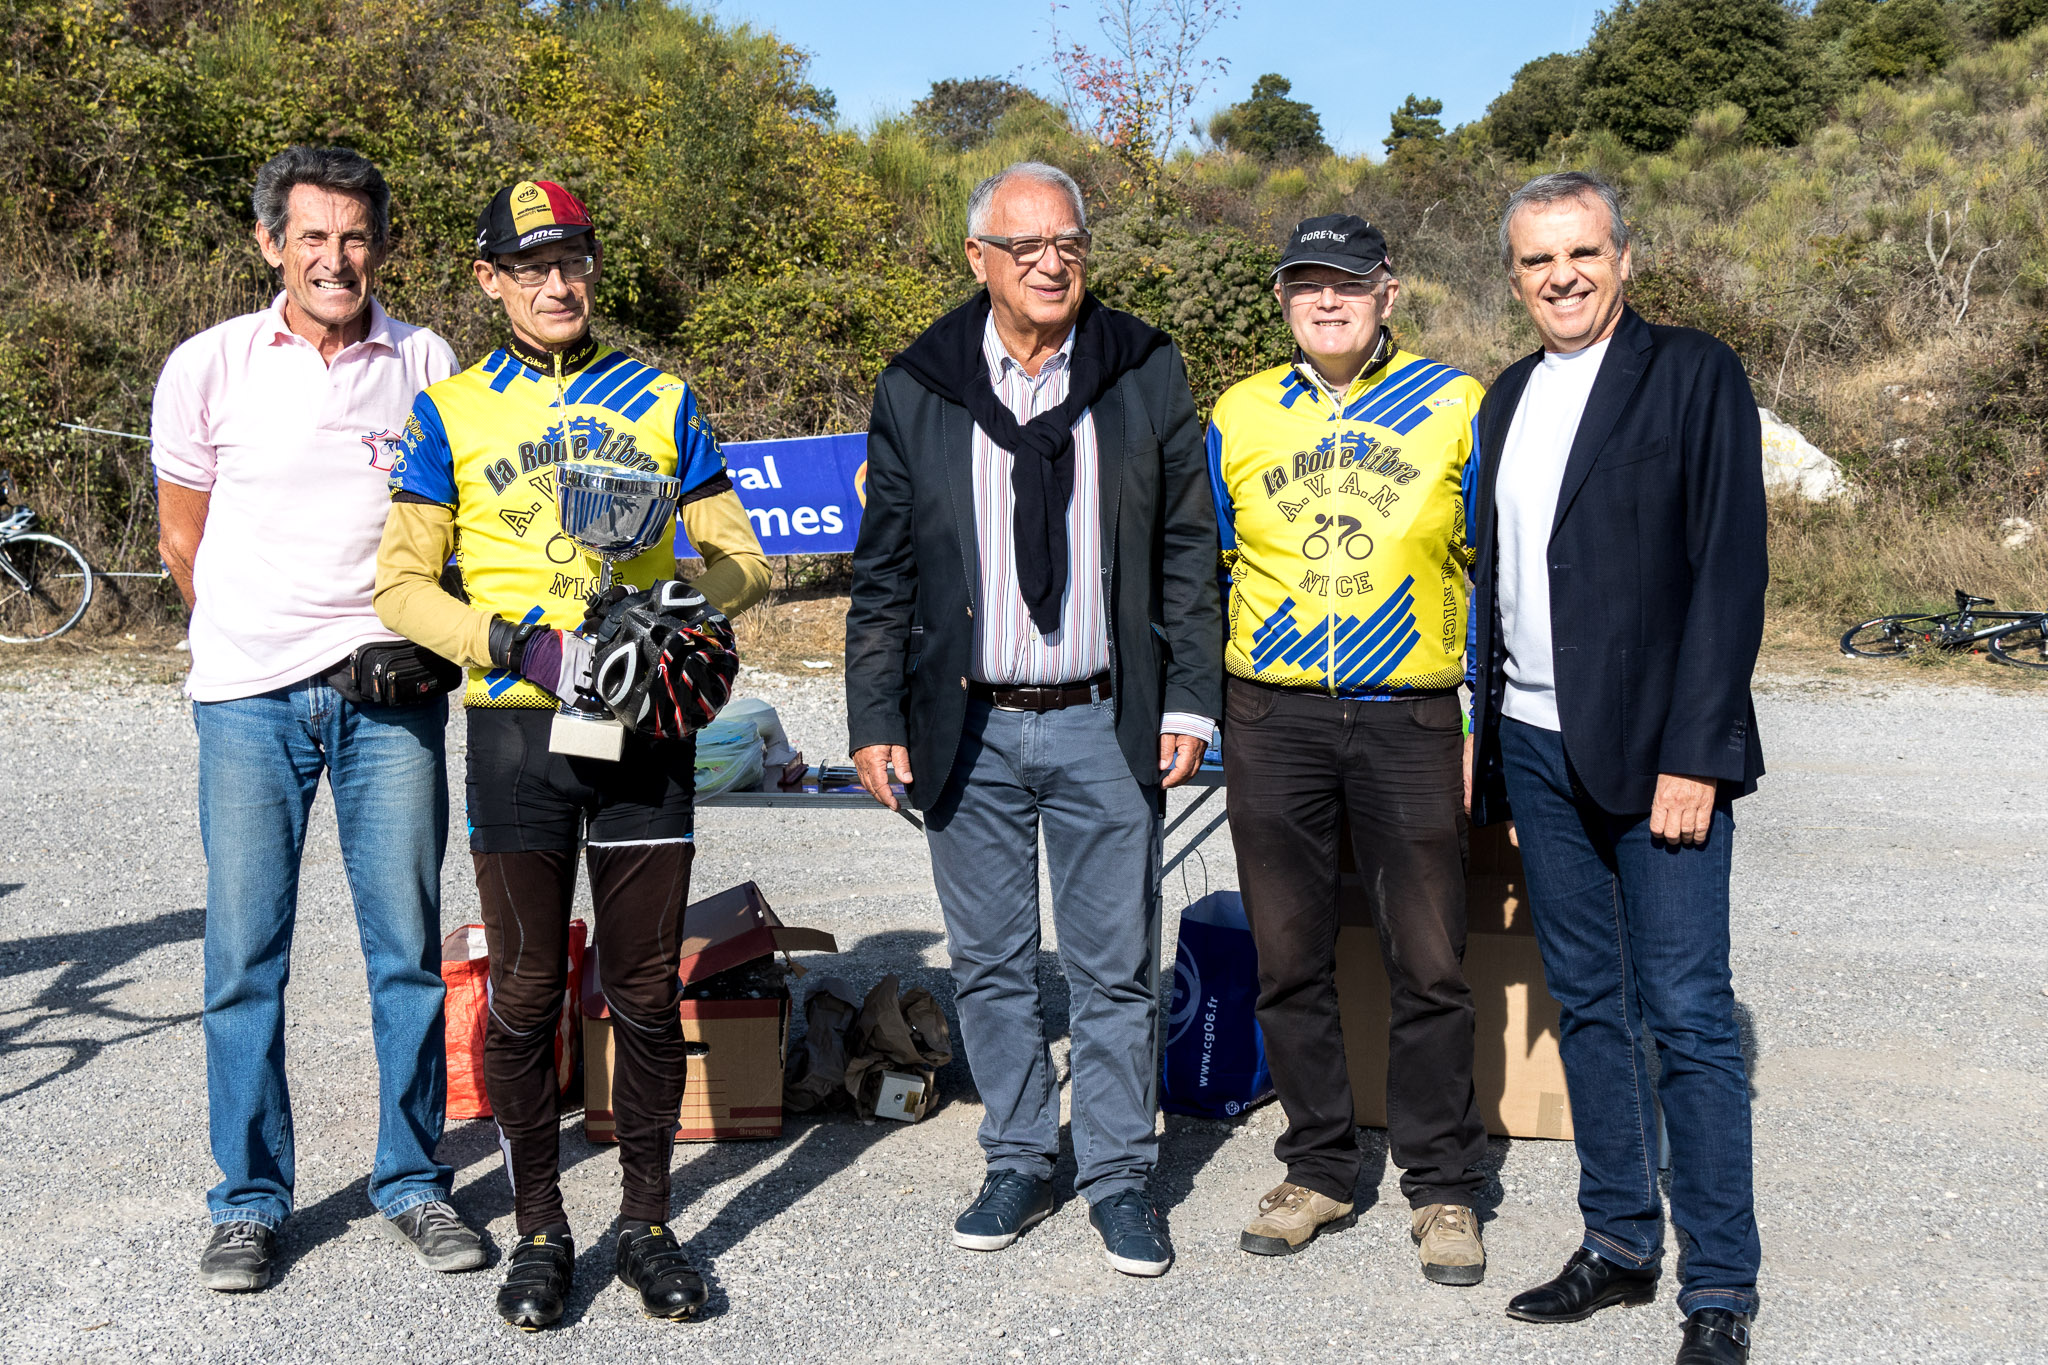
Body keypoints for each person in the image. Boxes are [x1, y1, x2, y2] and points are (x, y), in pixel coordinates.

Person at [373, 177, 769, 1330]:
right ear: (490, 280)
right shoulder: (448, 410)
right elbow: (399, 586)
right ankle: (540, 1229)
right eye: (531, 266)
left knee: (644, 991)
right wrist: (514, 644)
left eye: (574, 261)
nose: (557, 284)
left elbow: (743, 560)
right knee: (526, 992)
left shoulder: (661, 398)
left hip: (639, 725)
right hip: (517, 728)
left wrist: (677, 602)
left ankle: (646, 1222)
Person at [845, 161, 1221, 1278]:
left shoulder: (1142, 368)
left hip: (1108, 716)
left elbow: (1186, 546)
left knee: (1115, 968)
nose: (1051, 264)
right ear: (979, 260)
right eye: (1025, 246)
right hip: (969, 726)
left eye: (1069, 243)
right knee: (993, 964)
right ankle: (1017, 1157)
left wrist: (1190, 696)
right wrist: (873, 714)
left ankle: (1117, 1175)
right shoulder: (920, 384)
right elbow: (885, 571)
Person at [152, 145, 482, 1293]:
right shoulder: (208, 364)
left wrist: (420, 640)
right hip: (247, 703)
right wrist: (252, 642)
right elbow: (181, 538)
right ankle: (249, 1201)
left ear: (379, 246)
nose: (334, 259)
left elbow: (452, 529)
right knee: (245, 959)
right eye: (311, 237)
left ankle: (413, 1180)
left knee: (405, 956)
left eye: (353, 237)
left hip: (390, 700)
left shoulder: (426, 361)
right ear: (269, 245)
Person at [1469, 171, 1766, 1365]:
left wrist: (1696, 755)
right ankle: (1617, 1244)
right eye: (1536, 260)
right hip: (1534, 746)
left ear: (1622, 258)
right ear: (1514, 278)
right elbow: (1499, 580)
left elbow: (1728, 572)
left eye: (1581, 252)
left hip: (1657, 757)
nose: (1561, 277)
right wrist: (1491, 754)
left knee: (1687, 1015)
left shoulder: (1691, 374)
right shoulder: (1505, 396)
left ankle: (1718, 1288)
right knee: (1588, 1005)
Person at [1207, 214, 1490, 1283]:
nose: (1326, 301)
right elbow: (1209, 563)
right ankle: (1319, 1167)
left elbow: (1495, 569)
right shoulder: (1239, 412)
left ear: (1387, 293)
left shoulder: (1456, 404)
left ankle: (1443, 1183)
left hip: (1410, 712)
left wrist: (1478, 718)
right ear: (1283, 300)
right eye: (1305, 284)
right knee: (1288, 957)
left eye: (1348, 283)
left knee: (1431, 960)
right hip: (1271, 715)